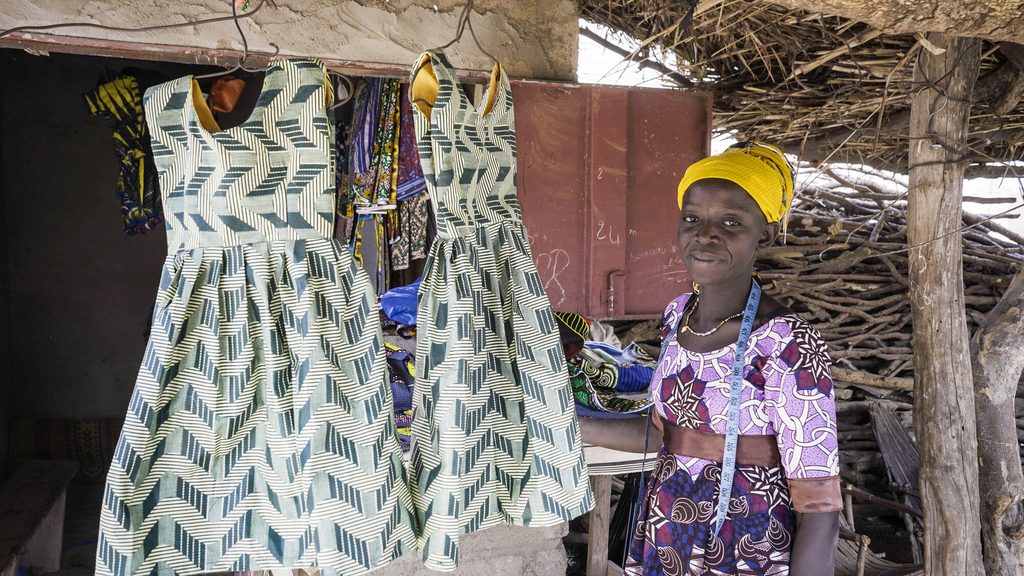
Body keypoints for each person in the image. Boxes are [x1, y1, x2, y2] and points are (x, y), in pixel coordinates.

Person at [580, 142, 840, 576]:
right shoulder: (677, 316)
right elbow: (665, 433)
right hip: (667, 533)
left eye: (731, 221)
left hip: (745, 545)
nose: (705, 235)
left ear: (766, 232)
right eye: (692, 219)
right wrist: (573, 423)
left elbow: (819, 501)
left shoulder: (786, 342)